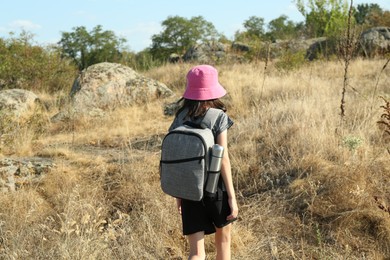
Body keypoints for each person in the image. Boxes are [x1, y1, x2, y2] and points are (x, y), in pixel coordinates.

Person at [168, 65, 239, 260]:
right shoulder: (219, 116)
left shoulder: (181, 116)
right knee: (223, 243)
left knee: (196, 253)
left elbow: (177, 156)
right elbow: (223, 157)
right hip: (217, 188)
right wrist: (232, 198)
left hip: (191, 188)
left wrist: (180, 194)